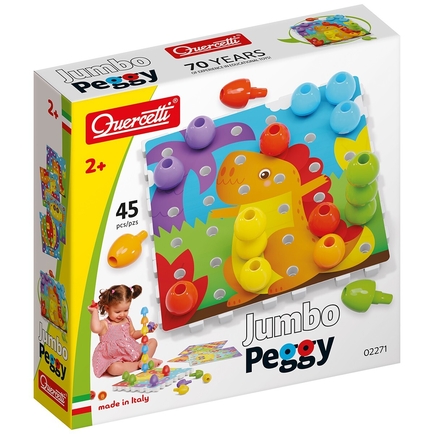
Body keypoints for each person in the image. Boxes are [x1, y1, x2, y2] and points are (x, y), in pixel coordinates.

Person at [88, 284, 162, 377]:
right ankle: (138, 364)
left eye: (126, 310)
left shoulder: (127, 319)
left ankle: (144, 360)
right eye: (118, 312)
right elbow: (95, 328)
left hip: (131, 350)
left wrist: (145, 330)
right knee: (114, 368)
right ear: (107, 308)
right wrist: (94, 312)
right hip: (115, 358)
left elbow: (133, 334)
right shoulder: (105, 324)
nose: (122, 314)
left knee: (153, 342)